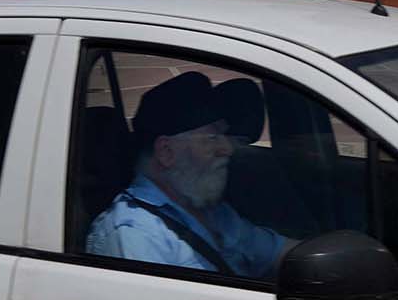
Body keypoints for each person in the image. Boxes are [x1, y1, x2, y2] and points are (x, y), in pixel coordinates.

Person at [83, 71, 291, 278]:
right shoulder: (134, 236)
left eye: (223, 136)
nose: (227, 148)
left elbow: (274, 252)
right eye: (212, 138)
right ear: (166, 152)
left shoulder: (209, 211)